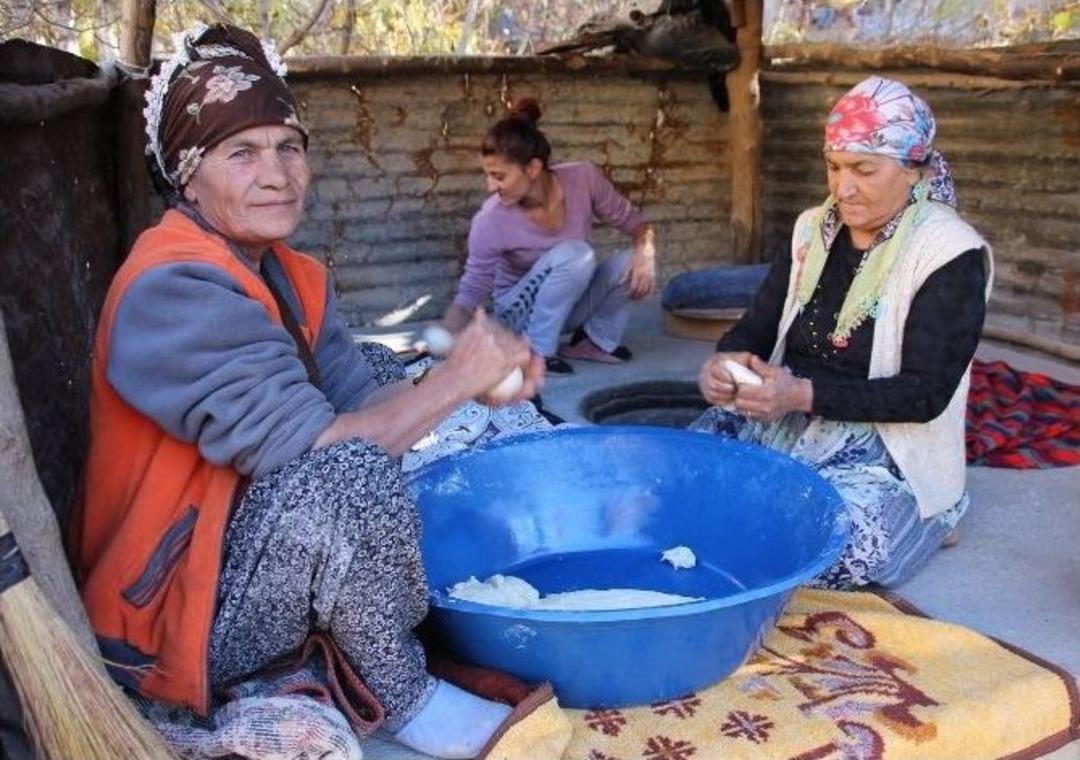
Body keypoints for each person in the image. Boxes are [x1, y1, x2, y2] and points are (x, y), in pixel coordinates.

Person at [71, 23, 547, 759]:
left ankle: (376, 620)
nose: (278, 174)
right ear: (188, 177)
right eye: (242, 153)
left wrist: (462, 388)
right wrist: (455, 377)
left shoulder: (290, 274)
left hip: (240, 546)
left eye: (289, 147)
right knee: (349, 471)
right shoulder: (172, 287)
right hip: (171, 610)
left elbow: (362, 404)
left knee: (387, 375)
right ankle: (404, 696)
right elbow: (324, 451)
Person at [692, 76, 993, 588]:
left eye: (864, 169)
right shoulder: (812, 228)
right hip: (788, 416)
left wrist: (800, 394)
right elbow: (755, 328)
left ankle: (934, 516)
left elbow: (925, 393)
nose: (843, 188)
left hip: (884, 443)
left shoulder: (948, 251)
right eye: (834, 167)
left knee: (820, 546)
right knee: (682, 487)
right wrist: (725, 365)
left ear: (913, 169)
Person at [443, 97, 658, 374]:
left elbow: (637, 224)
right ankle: (536, 353)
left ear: (533, 169)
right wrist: (445, 336)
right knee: (577, 255)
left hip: (564, 308)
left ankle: (594, 341)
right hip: (517, 316)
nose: (490, 186)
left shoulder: (583, 178)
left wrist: (646, 253)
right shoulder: (490, 219)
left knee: (631, 262)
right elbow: (472, 289)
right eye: (487, 175)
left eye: (499, 176)